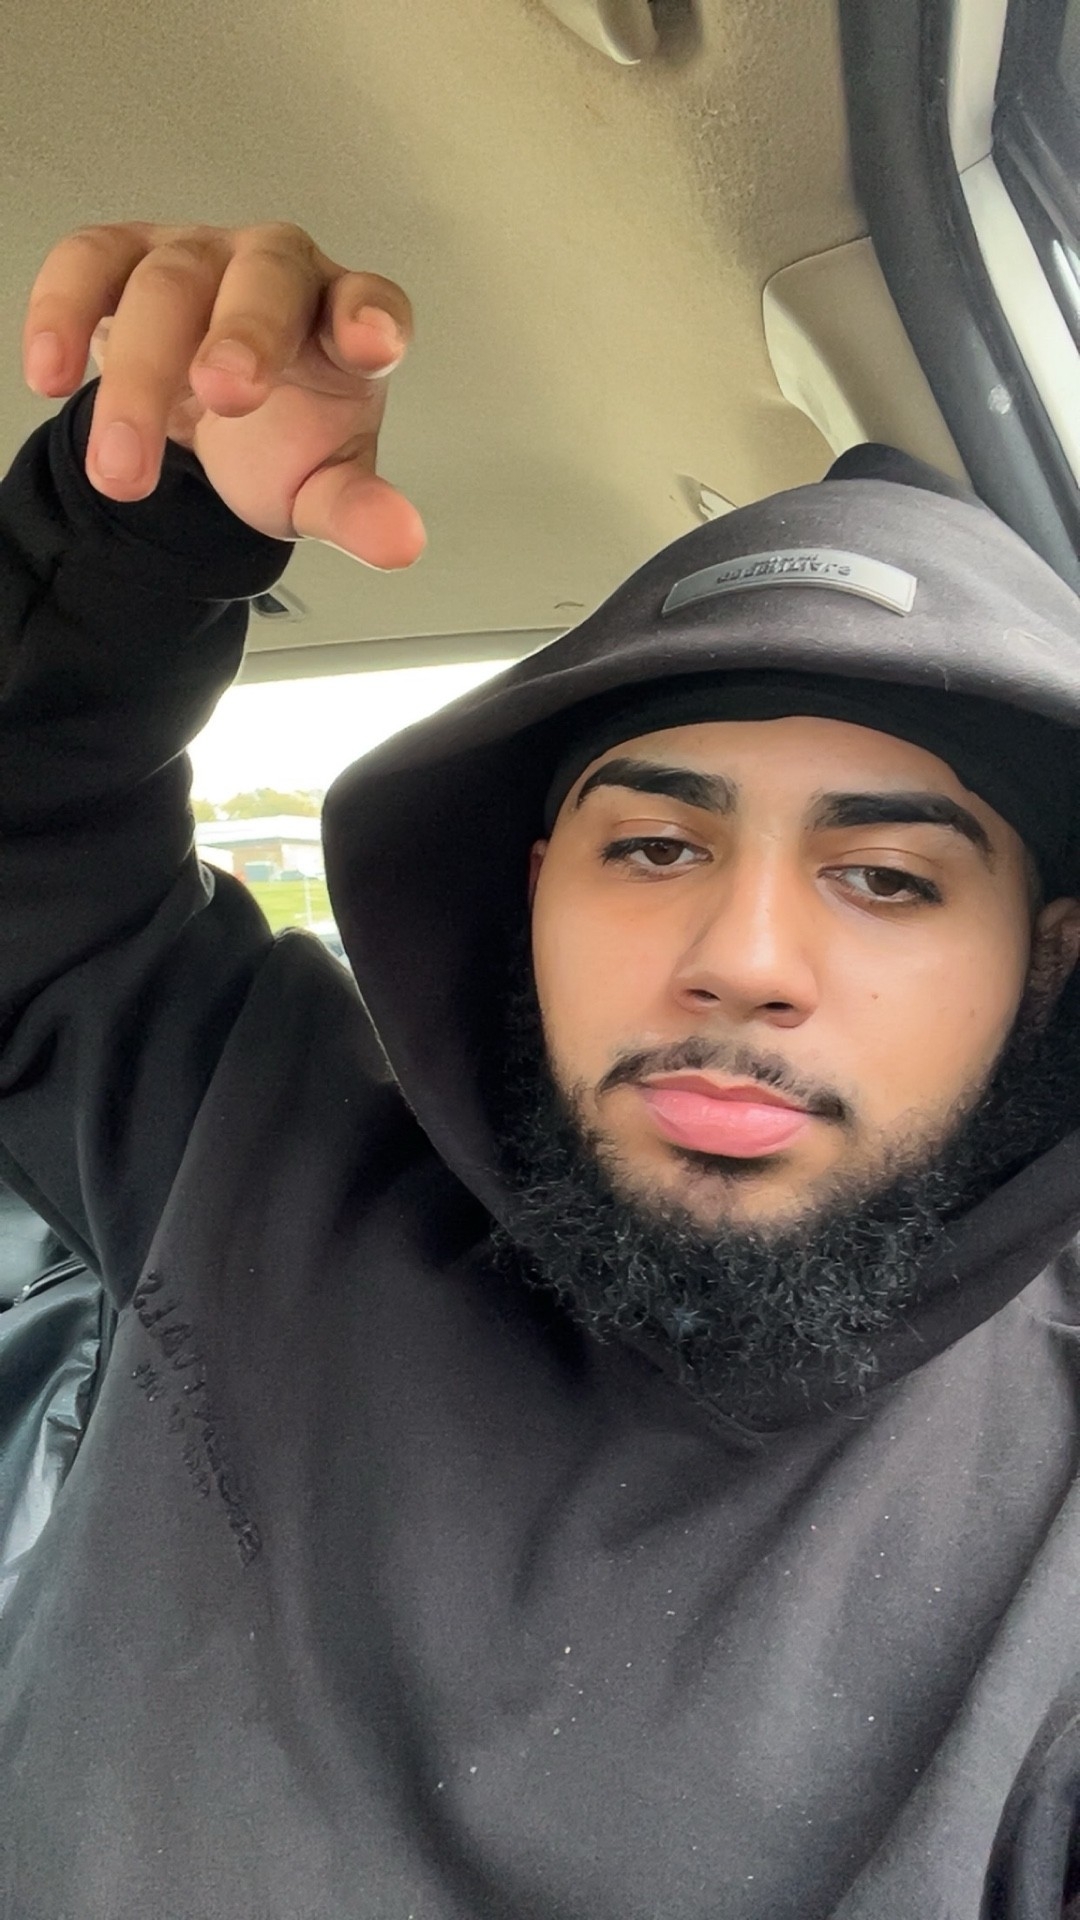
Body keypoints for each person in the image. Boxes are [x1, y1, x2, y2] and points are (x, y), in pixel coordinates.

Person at [2, 220, 1080, 1920]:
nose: (745, 955)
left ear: (1047, 960)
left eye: (886, 877)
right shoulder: (260, 1157)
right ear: (532, 893)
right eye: (653, 847)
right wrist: (142, 532)